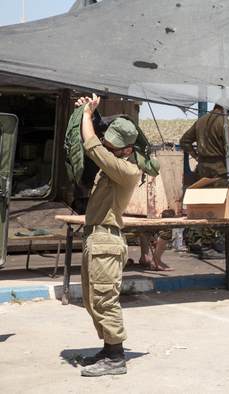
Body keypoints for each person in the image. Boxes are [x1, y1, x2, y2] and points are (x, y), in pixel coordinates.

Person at [76, 93, 140, 377]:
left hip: (107, 241)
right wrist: (89, 111)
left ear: (126, 150)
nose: (106, 146)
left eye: (112, 146)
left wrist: (87, 117)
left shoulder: (126, 170)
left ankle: (116, 356)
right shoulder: (114, 160)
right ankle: (108, 347)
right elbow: (98, 141)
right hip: (96, 240)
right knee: (92, 300)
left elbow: (92, 146)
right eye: (107, 140)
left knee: (104, 300)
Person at [179, 97, 229, 259]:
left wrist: (197, 156)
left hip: (204, 169)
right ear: (226, 110)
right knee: (216, 208)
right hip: (219, 170)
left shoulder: (202, 120)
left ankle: (207, 241)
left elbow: (184, 141)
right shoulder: (224, 122)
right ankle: (207, 245)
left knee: (206, 205)